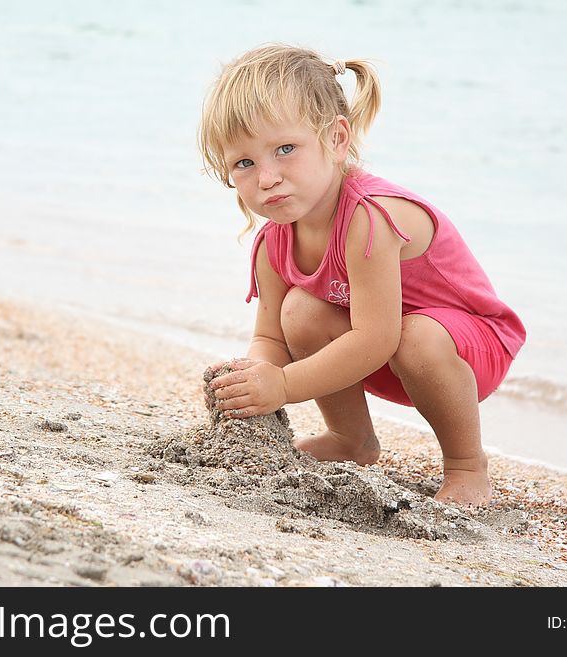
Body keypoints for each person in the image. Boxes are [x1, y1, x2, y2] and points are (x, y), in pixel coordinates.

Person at [197, 44, 526, 506]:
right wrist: (255, 376)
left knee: (417, 335)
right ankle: (351, 440)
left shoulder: (368, 217)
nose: (266, 177)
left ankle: (467, 465)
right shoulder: (274, 241)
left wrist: (286, 387)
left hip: (465, 351)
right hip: (387, 353)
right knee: (301, 310)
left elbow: (376, 337)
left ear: (336, 139)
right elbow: (271, 338)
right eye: (244, 163)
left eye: (285, 149)